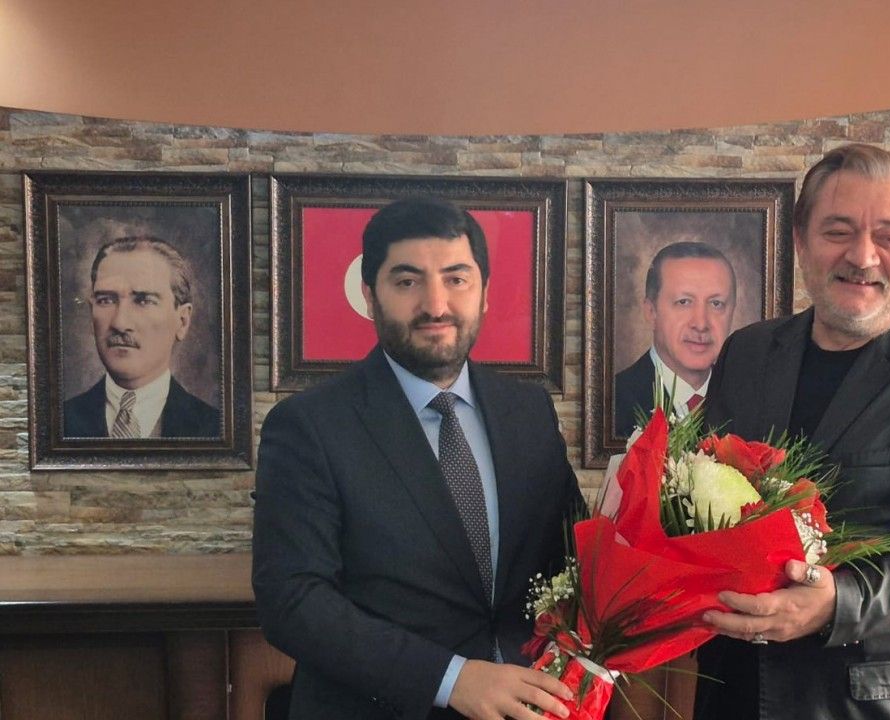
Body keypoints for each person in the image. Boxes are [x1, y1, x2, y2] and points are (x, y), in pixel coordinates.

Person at [695, 144, 890, 720]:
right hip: (735, 687)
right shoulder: (746, 353)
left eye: (889, 236)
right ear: (801, 242)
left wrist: (837, 603)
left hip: (872, 702)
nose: (862, 255)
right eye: (838, 231)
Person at [253, 198, 584, 720]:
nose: (436, 304)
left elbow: (573, 556)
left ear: (485, 292)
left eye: (457, 279)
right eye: (407, 281)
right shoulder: (309, 426)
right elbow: (292, 601)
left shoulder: (529, 411)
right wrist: (450, 678)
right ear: (370, 295)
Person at [62, 236, 220, 439]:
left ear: (182, 321)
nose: (120, 323)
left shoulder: (214, 428)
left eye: (144, 301)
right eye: (106, 300)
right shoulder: (61, 422)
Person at [613, 241, 736, 436]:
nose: (701, 324)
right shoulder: (614, 401)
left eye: (716, 304)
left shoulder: (748, 401)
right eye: (684, 302)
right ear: (651, 312)